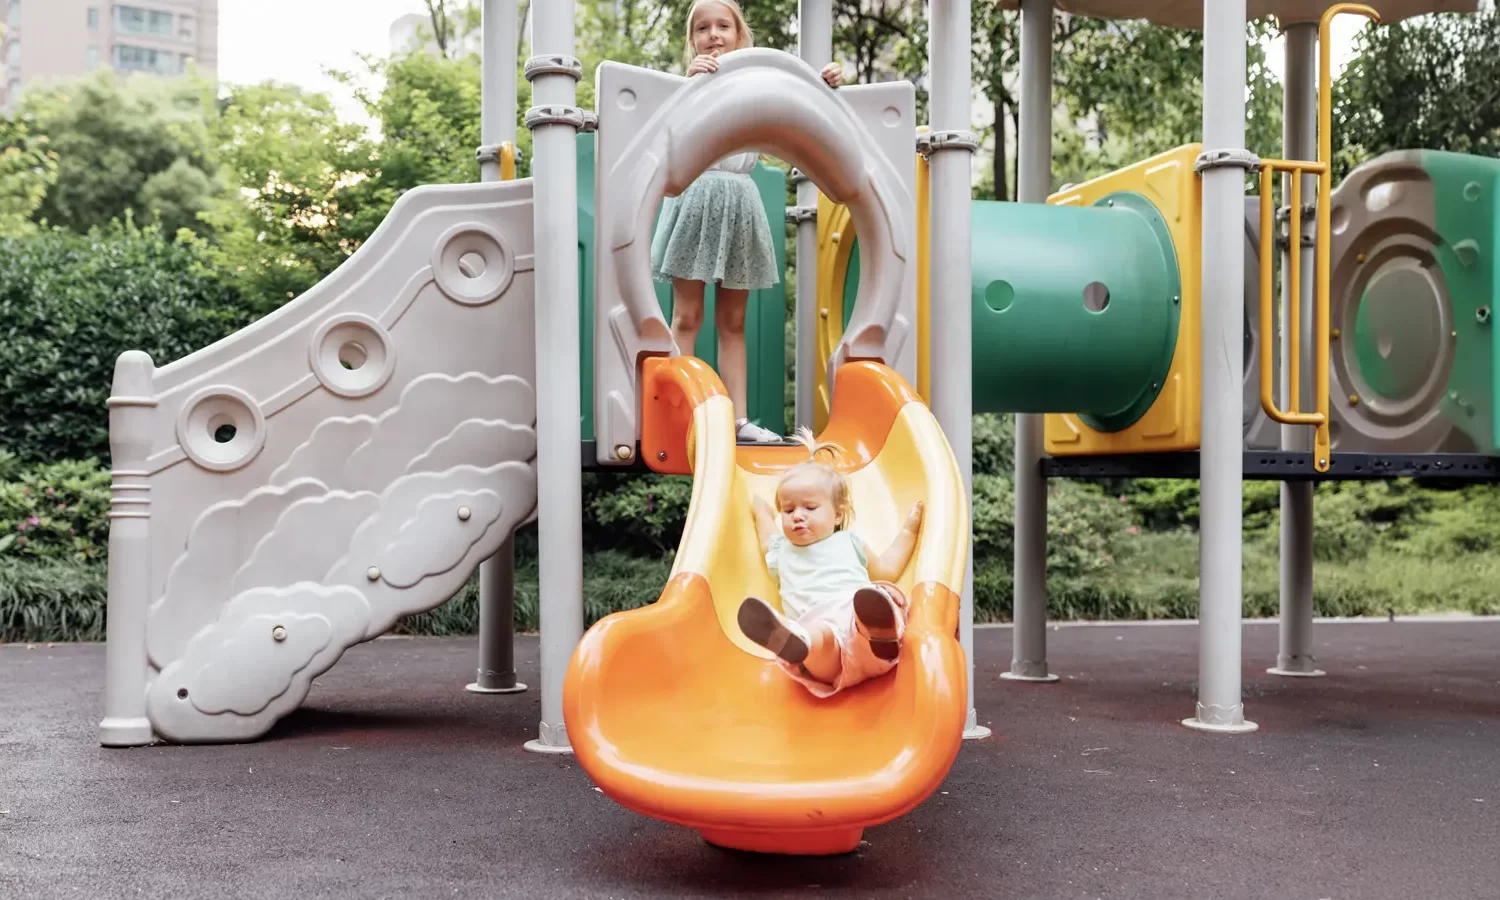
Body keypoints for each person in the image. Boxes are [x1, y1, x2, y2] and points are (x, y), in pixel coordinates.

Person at [650, 0, 843, 444]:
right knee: (687, 315)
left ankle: (738, 421)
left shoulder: (757, 83)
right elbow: (666, 132)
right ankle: (679, 414)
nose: (713, 35)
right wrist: (690, 83)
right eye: (703, 28)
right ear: (692, 40)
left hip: (739, 201)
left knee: (733, 321)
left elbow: (796, 106)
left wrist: (825, 83)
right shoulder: (689, 83)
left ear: (740, 36)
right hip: (696, 195)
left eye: (723, 26)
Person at [736, 427, 925, 697]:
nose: (797, 516)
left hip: (857, 620)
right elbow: (766, 532)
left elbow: (887, 569)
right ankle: (793, 639)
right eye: (788, 510)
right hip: (829, 653)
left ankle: (878, 631)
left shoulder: (849, 541)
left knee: (877, 597)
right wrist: (760, 509)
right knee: (817, 637)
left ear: (837, 514)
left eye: (809, 508)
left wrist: (909, 530)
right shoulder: (781, 550)